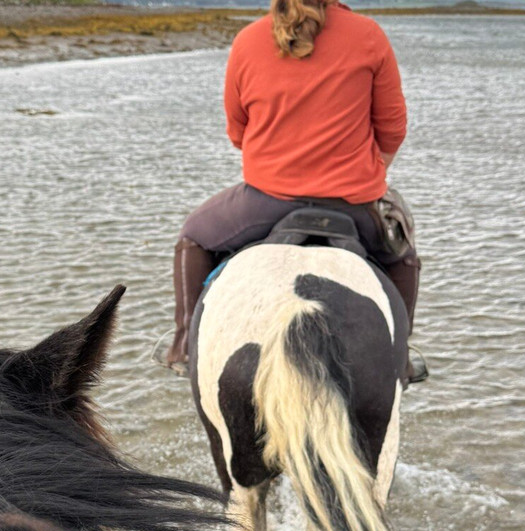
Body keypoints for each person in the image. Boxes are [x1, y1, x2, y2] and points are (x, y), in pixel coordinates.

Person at [165, 0, 426, 384]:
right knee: (403, 256)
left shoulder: (248, 40)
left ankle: (185, 347)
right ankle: (400, 359)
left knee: (194, 237)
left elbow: (238, 132)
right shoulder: (369, 35)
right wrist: (368, 173)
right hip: (352, 205)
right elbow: (392, 130)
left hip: (265, 201)